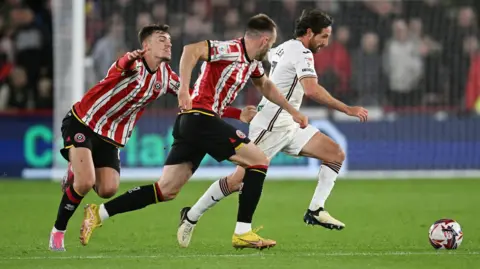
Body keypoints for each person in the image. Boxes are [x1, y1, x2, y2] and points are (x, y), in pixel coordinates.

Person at [79, 13, 308, 250]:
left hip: (193, 123)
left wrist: (291, 110)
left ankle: (100, 213)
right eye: (270, 45)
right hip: (200, 119)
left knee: (166, 190)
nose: (269, 50)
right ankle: (243, 231)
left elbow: (266, 86)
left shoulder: (254, 64)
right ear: (263, 41)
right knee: (259, 161)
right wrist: (183, 90)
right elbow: (191, 51)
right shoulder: (230, 49)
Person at [48, 24, 254, 251]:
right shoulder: (133, 64)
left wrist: (237, 113)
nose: (168, 44)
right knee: (85, 182)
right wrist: (128, 58)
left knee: (107, 190)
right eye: (161, 40)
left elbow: (196, 102)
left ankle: (77, 173)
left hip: (111, 137)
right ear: (146, 46)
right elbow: (123, 64)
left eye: (169, 40)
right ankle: (58, 233)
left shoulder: (166, 77)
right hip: (84, 122)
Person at [177, 9, 369, 248]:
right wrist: (347, 109)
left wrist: (293, 111)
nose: (326, 43)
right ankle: (192, 216)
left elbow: (269, 77)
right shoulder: (302, 53)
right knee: (238, 180)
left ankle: (315, 209)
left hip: (289, 122)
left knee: (335, 154)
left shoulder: (284, 47)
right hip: (271, 123)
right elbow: (311, 89)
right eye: (324, 36)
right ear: (309, 32)